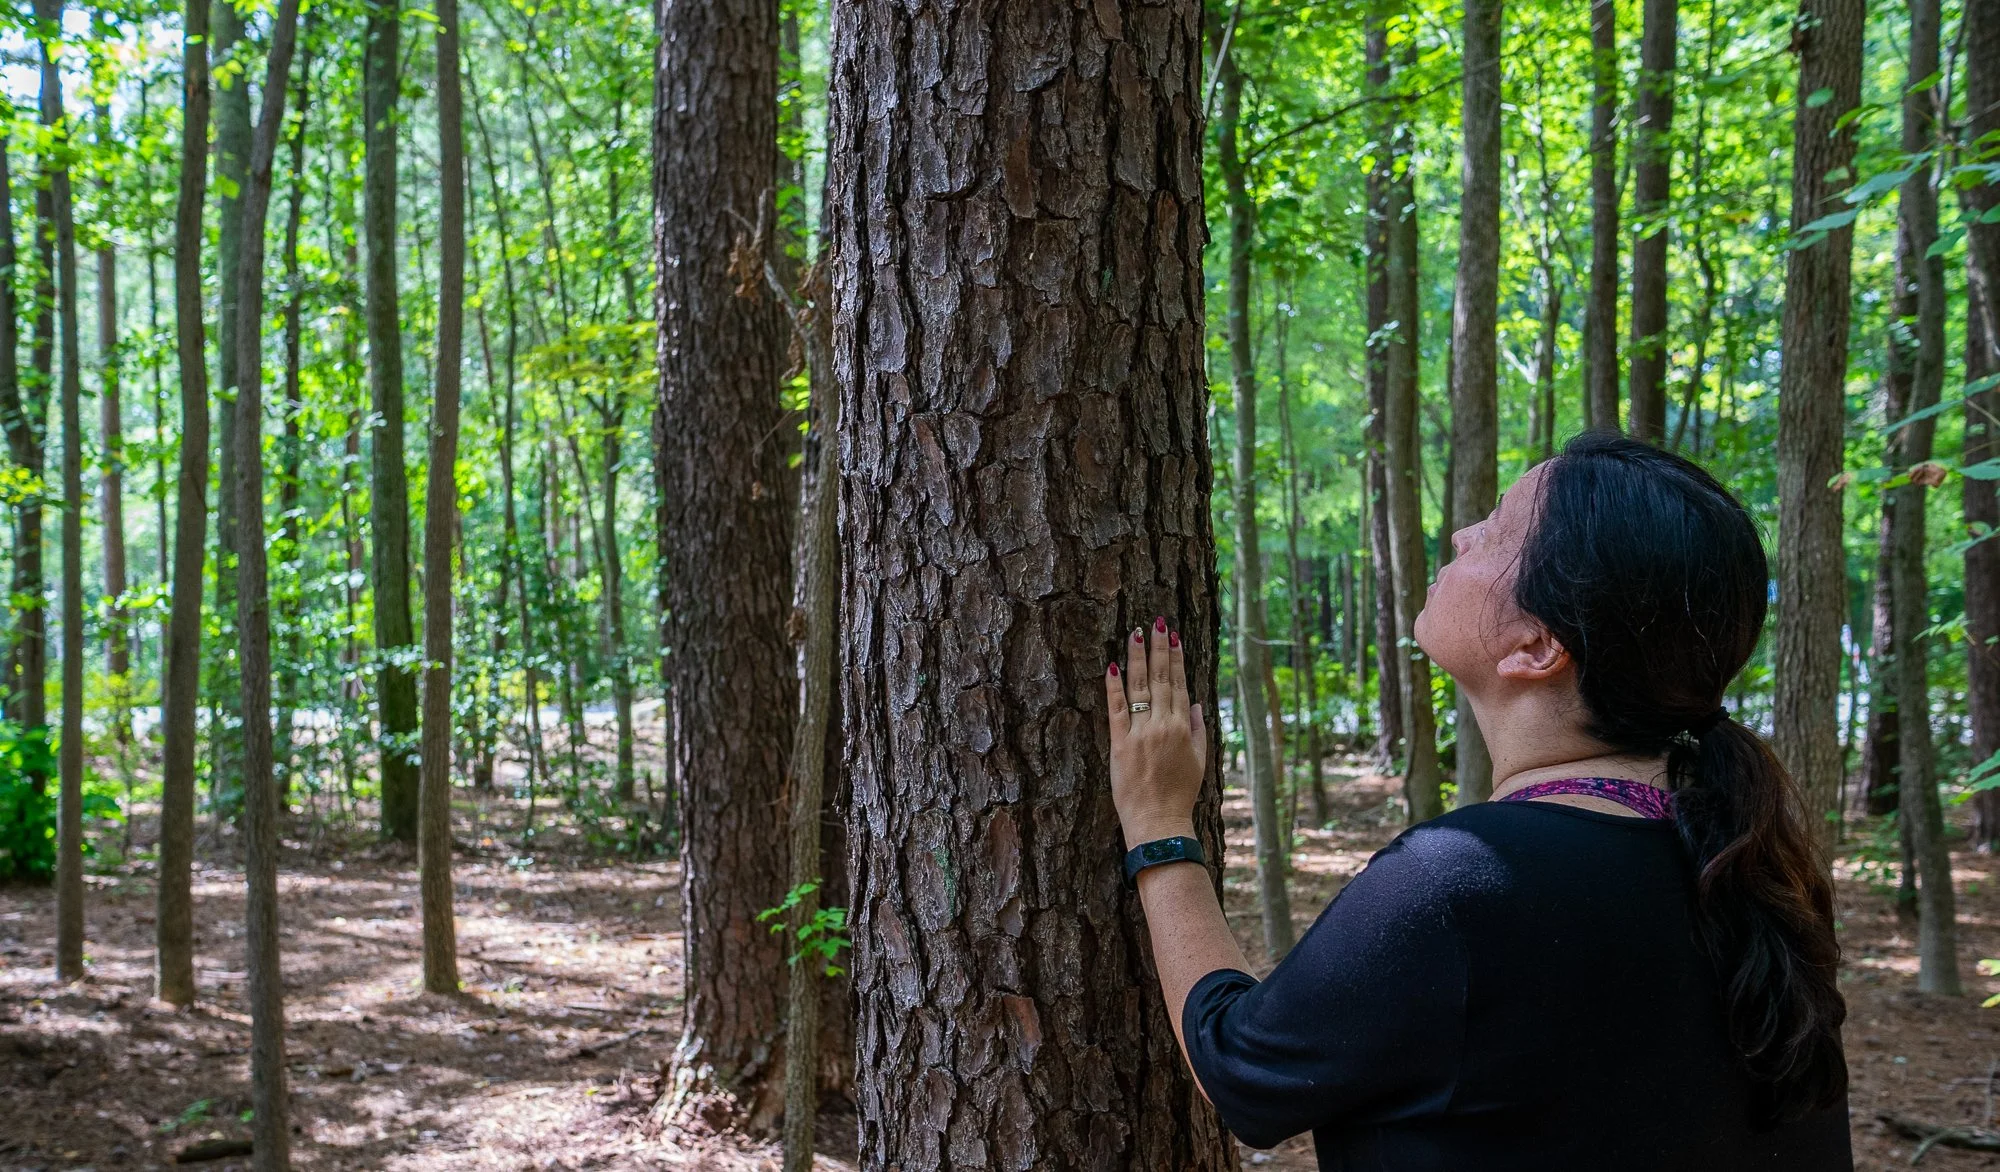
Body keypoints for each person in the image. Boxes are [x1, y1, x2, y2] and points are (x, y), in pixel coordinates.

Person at [1106, 432, 1852, 1170]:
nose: (1463, 534)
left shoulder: (1459, 885)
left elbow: (1238, 1070)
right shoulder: (1745, 871)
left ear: (1536, 646)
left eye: (1496, 531)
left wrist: (1160, 824)